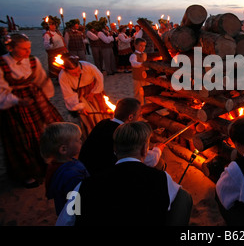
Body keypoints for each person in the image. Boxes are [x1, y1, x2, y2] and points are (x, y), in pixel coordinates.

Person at [57, 121, 193, 226]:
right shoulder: (161, 178)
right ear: (145, 150)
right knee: (183, 196)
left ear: (115, 149)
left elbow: (64, 222)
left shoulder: (84, 185)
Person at [0, 34, 64, 188]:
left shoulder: (33, 61)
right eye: (23, 49)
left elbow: (41, 79)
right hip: (14, 105)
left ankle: (49, 164)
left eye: (29, 48)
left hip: (35, 99)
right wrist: (17, 100)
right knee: (22, 139)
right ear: (10, 48)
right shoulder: (2, 64)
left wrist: (45, 98)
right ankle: (29, 173)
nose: (28, 52)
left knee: (46, 132)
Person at [78, 97, 166, 176]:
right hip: (101, 176)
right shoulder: (126, 132)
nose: (141, 117)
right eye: (139, 114)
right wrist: (158, 149)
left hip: (85, 168)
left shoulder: (103, 123)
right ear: (130, 117)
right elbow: (150, 160)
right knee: (159, 164)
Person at [40, 122, 89, 215]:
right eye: (77, 140)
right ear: (63, 149)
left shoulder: (55, 165)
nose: (81, 141)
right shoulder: (72, 176)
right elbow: (76, 206)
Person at [58, 53, 111, 139]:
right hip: (79, 95)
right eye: (74, 73)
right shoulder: (63, 76)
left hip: (93, 90)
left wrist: (94, 92)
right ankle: (93, 136)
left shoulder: (88, 66)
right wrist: (79, 107)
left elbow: (100, 77)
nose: (77, 74)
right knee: (89, 117)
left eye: (78, 71)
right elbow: (68, 94)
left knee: (102, 111)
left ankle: (105, 132)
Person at [129, 38, 151, 104]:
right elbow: (134, 64)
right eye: (140, 45)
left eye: (144, 46)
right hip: (137, 78)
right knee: (138, 94)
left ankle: (148, 106)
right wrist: (143, 64)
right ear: (135, 45)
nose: (142, 47)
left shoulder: (144, 54)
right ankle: (140, 108)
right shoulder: (133, 55)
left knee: (148, 93)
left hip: (146, 77)